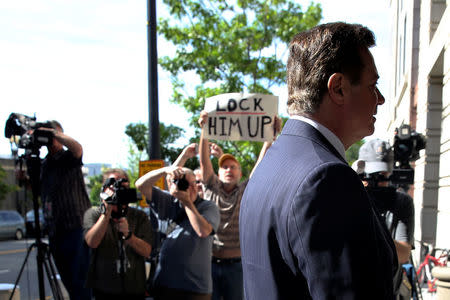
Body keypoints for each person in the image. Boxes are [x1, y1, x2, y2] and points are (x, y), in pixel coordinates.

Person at [239, 22, 399, 299]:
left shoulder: (269, 166)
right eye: (373, 85)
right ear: (338, 88)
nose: (381, 99)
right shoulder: (327, 178)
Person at [198, 111, 280, 300]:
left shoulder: (246, 191)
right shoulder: (211, 187)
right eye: (225, 167)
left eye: (233, 166)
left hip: (237, 267)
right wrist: (204, 129)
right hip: (209, 264)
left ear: (240, 172)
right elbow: (204, 162)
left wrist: (270, 137)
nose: (229, 170)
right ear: (218, 172)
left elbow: (262, 163)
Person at [135, 166, 220, 300]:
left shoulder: (208, 207)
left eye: (194, 183)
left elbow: (203, 231)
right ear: (171, 185)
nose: (190, 188)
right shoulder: (167, 200)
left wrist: (186, 202)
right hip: (164, 284)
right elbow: (141, 184)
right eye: (184, 184)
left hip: (195, 288)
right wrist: (165, 170)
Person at [356, 139, 415, 299]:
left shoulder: (401, 202)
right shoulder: (353, 197)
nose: (379, 181)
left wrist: (375, 228)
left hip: (389, 291)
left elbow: (403, 254)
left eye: (383, 175)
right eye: (374, 175)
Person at [39, 120, 92, 300]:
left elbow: (78, 148)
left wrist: (52, 133)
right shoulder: (45, 164)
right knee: (69, 282)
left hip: (76, 227)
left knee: (81, 282)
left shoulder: (68, 157)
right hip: (55, 230)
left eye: (54, 134)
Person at [83, 168, 152, 300]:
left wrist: (129, 236)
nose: (120, 192)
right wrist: (106, 212)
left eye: (124, 187)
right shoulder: (93, 214)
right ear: (105, 190)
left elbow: (147, 251)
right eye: (115, 187)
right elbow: (92, 242)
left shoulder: (139, 216)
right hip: (104, 290)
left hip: (134, 290)